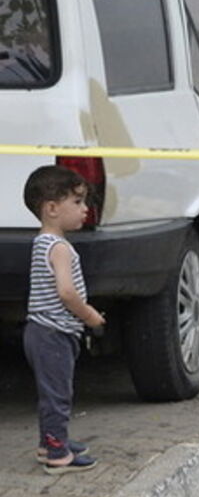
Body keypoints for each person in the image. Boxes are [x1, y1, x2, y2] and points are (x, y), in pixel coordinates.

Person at [23, 165, 106, 473]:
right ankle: (58, 455)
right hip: (53, 333)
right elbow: (67, 293)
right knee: (58, 394)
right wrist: (91, 316)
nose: (85, 210)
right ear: (52, 208)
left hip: (42, 331)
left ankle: (51, 443)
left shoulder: (41, 242)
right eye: (78, 202)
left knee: (51, 390)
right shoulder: (59, 248)